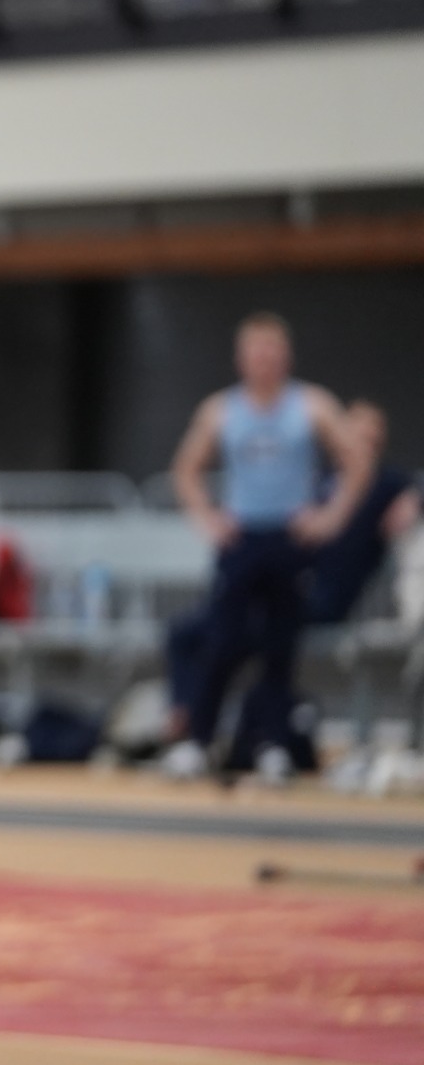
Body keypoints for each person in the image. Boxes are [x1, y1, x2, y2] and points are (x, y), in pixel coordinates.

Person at [163, 312, 368, 783]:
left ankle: (273, 744)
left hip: (290, 537)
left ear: (285, 356)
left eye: (272, 351)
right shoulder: (221, 409)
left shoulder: (310, 404)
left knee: (280, 646)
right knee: (220, 640)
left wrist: (330, 516)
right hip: (241, 537)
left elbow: (356, 460)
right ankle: (198, 741)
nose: (264, 360)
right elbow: (185, 468)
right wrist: (207, 518)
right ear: (241, 359)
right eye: (256, 351)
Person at [163, 396, 407, 776]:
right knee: (198, 632)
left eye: (370, 439)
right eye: (354, 436)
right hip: (289, 584)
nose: (361, 446)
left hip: (321, 597)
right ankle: (193, 726)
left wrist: (414, 499)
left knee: (264, 639)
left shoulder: (388, 483)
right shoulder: (321, 482)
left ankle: (258, 740)